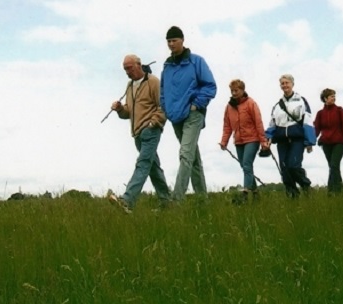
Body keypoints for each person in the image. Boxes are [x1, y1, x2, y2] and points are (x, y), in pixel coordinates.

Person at [107, 54, 170, 213]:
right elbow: (129, 112)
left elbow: (164, 105)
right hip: (137, 134)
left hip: (150, 131)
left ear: (139, 65)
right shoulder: (130, 86)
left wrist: (154, 122)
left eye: (130, 68)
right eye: (125, 69)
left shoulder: (153, 82)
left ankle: (127, 200)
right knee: (153, 168)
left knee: (142, 164)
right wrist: (120, 109)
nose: (127, 72)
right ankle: (168, 203)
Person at [160, 26, 217, 202]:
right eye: (168, 41)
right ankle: (202, 200)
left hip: (193, 115)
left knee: (185, 154)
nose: (171, 44)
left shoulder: (196, 61)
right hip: (175, 117)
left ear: (182, 40)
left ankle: (176, 201)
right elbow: (163, 91)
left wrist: (196, 104)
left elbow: (210, 86)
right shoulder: (167, 66)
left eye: (174, 40)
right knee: (193, 159)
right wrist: (166, 109)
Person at [265, 74, 315, 198]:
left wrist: (309, 142)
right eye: (282, 83)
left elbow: (307, 121)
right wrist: (267, 139)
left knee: (293, 165)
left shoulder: (301, 101)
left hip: (297, 139)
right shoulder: (277, 106)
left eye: (287, 82)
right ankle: (292, 195)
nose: (285, 85)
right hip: (282, 140)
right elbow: (272, 124)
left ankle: (305, 186)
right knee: (284, 168)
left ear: (292, 84)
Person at [219, 79, 267, 203]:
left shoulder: (251, 103)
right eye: (232, 91)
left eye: (237, 90)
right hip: (239, 141)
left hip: (252, 139)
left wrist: (263, 141)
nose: (234, 93)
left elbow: (258, 122)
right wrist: (224, 141)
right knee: (246, 167)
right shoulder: (229, 107)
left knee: (246, 164)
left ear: (243, 90)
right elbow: (227, 126)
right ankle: (256, 193)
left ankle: (245, 193)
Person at [313, 88, 343, 194]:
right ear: (325, 98)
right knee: (332, 167)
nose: (334, 98)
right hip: (326, 143)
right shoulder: (320, 113)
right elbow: (316, 128)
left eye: (334, 96)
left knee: (334, 165)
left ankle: (336, 191)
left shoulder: (340, 110)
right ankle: (334, 192)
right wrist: (311, 141)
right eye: (331, 96)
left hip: (339, 142)